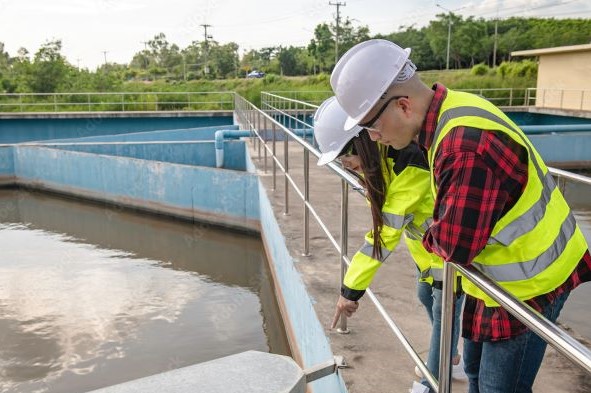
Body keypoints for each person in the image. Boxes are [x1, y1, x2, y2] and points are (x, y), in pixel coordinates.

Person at [330, 39, 591, 393]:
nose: (373, 138)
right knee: (474, 372)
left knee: (498, 388)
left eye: (371, 128)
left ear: (403, 106)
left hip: (530, 281)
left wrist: (427, 231)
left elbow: (453, 246)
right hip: (498, 276)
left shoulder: (463, 147)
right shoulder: (454, 109)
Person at [314, 96, 466, 393]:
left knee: (444, 312)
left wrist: (350, 291)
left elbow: (384, 235)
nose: (347, 167)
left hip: (453, 256)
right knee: (426, 296)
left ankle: (429, 384)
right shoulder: (385, 161)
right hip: (432, 255)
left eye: (346, 159)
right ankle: (450, 356)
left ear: (362, 145)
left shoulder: (409, 161)